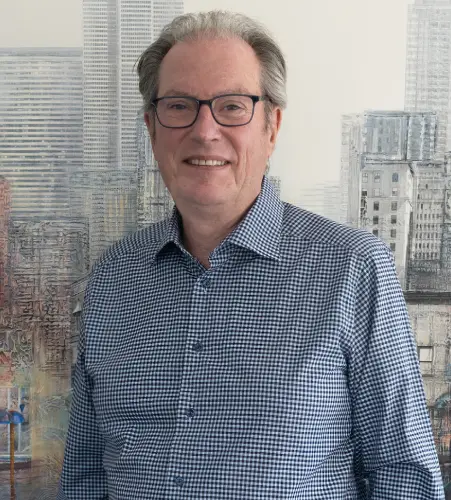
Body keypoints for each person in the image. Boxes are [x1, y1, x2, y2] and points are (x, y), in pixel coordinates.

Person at [57, 10, 444, 499]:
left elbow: (405, 476)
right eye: (179, 106)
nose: (204, 130)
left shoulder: (351, 268)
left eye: (232, 106)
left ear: (272, 126)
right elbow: (85, 477)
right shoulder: (113, 278)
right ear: (153, 130)